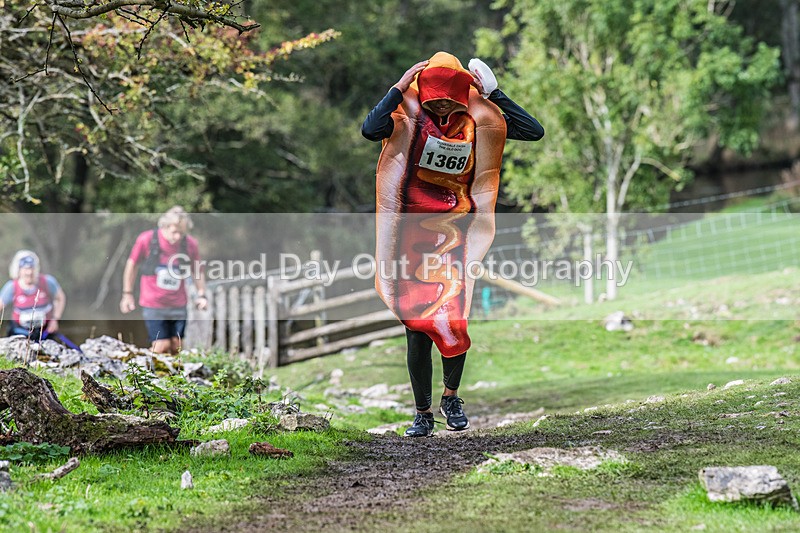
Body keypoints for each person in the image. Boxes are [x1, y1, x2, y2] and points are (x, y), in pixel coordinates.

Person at [363, 52, 543, 437]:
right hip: (409, 237)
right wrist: (398, 87)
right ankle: (422, 414)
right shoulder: (408, 112)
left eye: (450, 99)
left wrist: (495, 93)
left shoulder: (478, 117)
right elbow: (369, 128)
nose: (443, 105)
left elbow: (533, 130)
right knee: (416, 326)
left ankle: (451, 397)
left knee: (453, 317)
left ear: (463, 95)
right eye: (436, 99)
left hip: (455, 236)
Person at [120, 206, 207, 354]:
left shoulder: (190, 244)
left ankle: (171, 377)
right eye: (174, 232)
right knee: (161, 345)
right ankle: (146, 372)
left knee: (176, 346)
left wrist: (201, 294)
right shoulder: (146, 240)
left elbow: (197, 270)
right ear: (164, 227)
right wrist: (127, 294)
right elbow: (131, 265)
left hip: (178, 303)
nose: (178, 237)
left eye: (182, 233)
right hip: (153, 303)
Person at [0, 250, 66, 339]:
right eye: (25, 269)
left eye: (31, 268)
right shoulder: (11, 287)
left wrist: (55, 320)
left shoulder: (47, 282)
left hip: (44, 332)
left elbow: (60, 298)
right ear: (19, 270)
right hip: (20, 332)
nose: (29, 272)